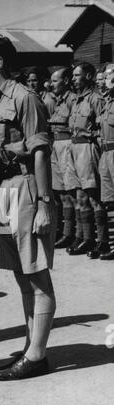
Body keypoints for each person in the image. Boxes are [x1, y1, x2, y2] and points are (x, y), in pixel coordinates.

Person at [0, 34, 57, 380]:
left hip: (26, 190)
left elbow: (40, 153)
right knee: (22, 276)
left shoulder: (25, 98)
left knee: (36, 275)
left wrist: (45, 205)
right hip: (4, 189)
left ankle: (37, 356)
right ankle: (30, 348)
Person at [66, 62, 109, 258]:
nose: (74, 79)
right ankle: (86, 238)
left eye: (77, 75)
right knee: (79, 196)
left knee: (94, 196)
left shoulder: (96, 99)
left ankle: (102, 241)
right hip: (74, 147)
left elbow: (104, 127)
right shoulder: (76, 100)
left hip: (88, 148)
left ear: (89, 76)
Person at [49, 67, 77, 248]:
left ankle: (76, 234)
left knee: (71, 192)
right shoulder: (57, 101)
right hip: (56, 145)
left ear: (66, 81)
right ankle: (65, 233)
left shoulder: (73, 100)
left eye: (55, 81)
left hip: (68, 145)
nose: (51, 84)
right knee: (60, 192)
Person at [97, 63, 114, 259]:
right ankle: (111, 245)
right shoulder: (107, 101)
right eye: (108, 76)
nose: (110, 80)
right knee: (109, 201)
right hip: (105, 153)